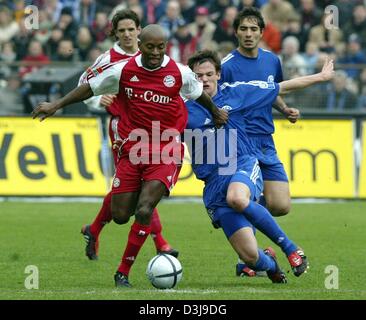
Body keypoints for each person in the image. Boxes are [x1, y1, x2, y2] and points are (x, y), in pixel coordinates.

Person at [32, 24, 228, 288]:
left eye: (161, 47)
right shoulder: (122, 69)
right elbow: (89, 87)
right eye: (151, 47)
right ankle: (98, 228)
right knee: (122, 214)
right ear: (141, 45)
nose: (156, 52)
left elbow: (198, 95)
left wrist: (215, 112)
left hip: (166, 149)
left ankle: (122, 272)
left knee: (144, 209)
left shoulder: (179, 72)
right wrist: (56, 105)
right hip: (133, 149)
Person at [185, 49, 334, 282]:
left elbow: (281, 87)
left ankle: (291, 248)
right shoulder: (182, 108)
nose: (203, 80)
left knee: (237, 198)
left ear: (218, 75)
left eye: (208, 74)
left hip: (241, 164)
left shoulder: (237, 93)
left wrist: (320, 77)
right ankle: (271, 265)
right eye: (198, 76)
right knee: (250, 257)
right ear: (191, 78)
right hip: (213, 184)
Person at [78, 9, 179, 265]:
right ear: (114, 32)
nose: (126, 34)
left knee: (137, 188)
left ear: (139, 30)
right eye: (121, 30)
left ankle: (95, 228)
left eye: (131, 29)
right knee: (136, 186)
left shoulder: (151, 53)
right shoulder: (107, 59)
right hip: (123, 130)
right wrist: (96, 101)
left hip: (156, 133)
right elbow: (84, 84)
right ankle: (160, 242)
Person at [219, 7, 300, 276]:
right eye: (243, 29)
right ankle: (248, 259)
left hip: (266, 140)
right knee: (245, 197)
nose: (249, 34)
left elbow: (271, 92)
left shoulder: (272, 61)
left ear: (262, 32)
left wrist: (285, 109)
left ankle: (249, 224)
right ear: (236, 32)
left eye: (254, 29)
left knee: (280, 206)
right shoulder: (227, 66)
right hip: (241, 142)